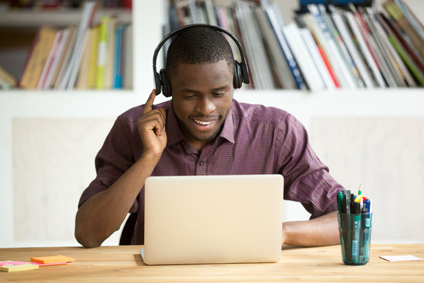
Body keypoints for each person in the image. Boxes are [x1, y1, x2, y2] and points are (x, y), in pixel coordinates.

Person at [75, 25, 344, 248]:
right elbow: (88, 234)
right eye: (190, 95)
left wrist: (282, 233)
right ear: (167, 86)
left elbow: (347, 220)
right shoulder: (132, 127)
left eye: (219, 93)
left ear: (236, 81)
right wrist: (149, 157)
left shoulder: (276, 130)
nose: (206, 108)